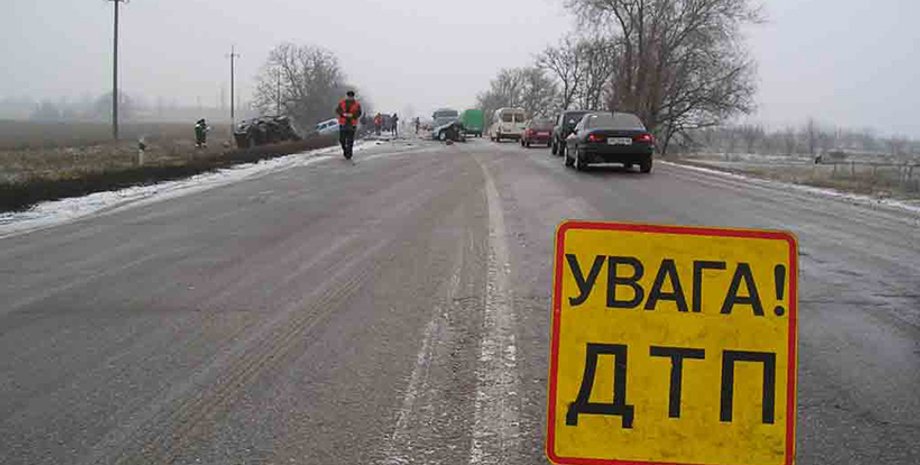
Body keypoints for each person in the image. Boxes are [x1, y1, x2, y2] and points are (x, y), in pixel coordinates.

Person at [335, 91, 363, 160]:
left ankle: (349, 154)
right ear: (346, 96)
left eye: (351, 96)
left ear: (353, 97)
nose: (350, 98)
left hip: (352, 124)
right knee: (342, 140)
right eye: (348, 96)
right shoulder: (342, 103)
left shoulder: (357, 104)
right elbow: (337, 110)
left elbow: (359, 113)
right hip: (343, 123)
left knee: (350, 140)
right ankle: (345, 150)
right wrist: (343, 114)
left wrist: (353, 115)